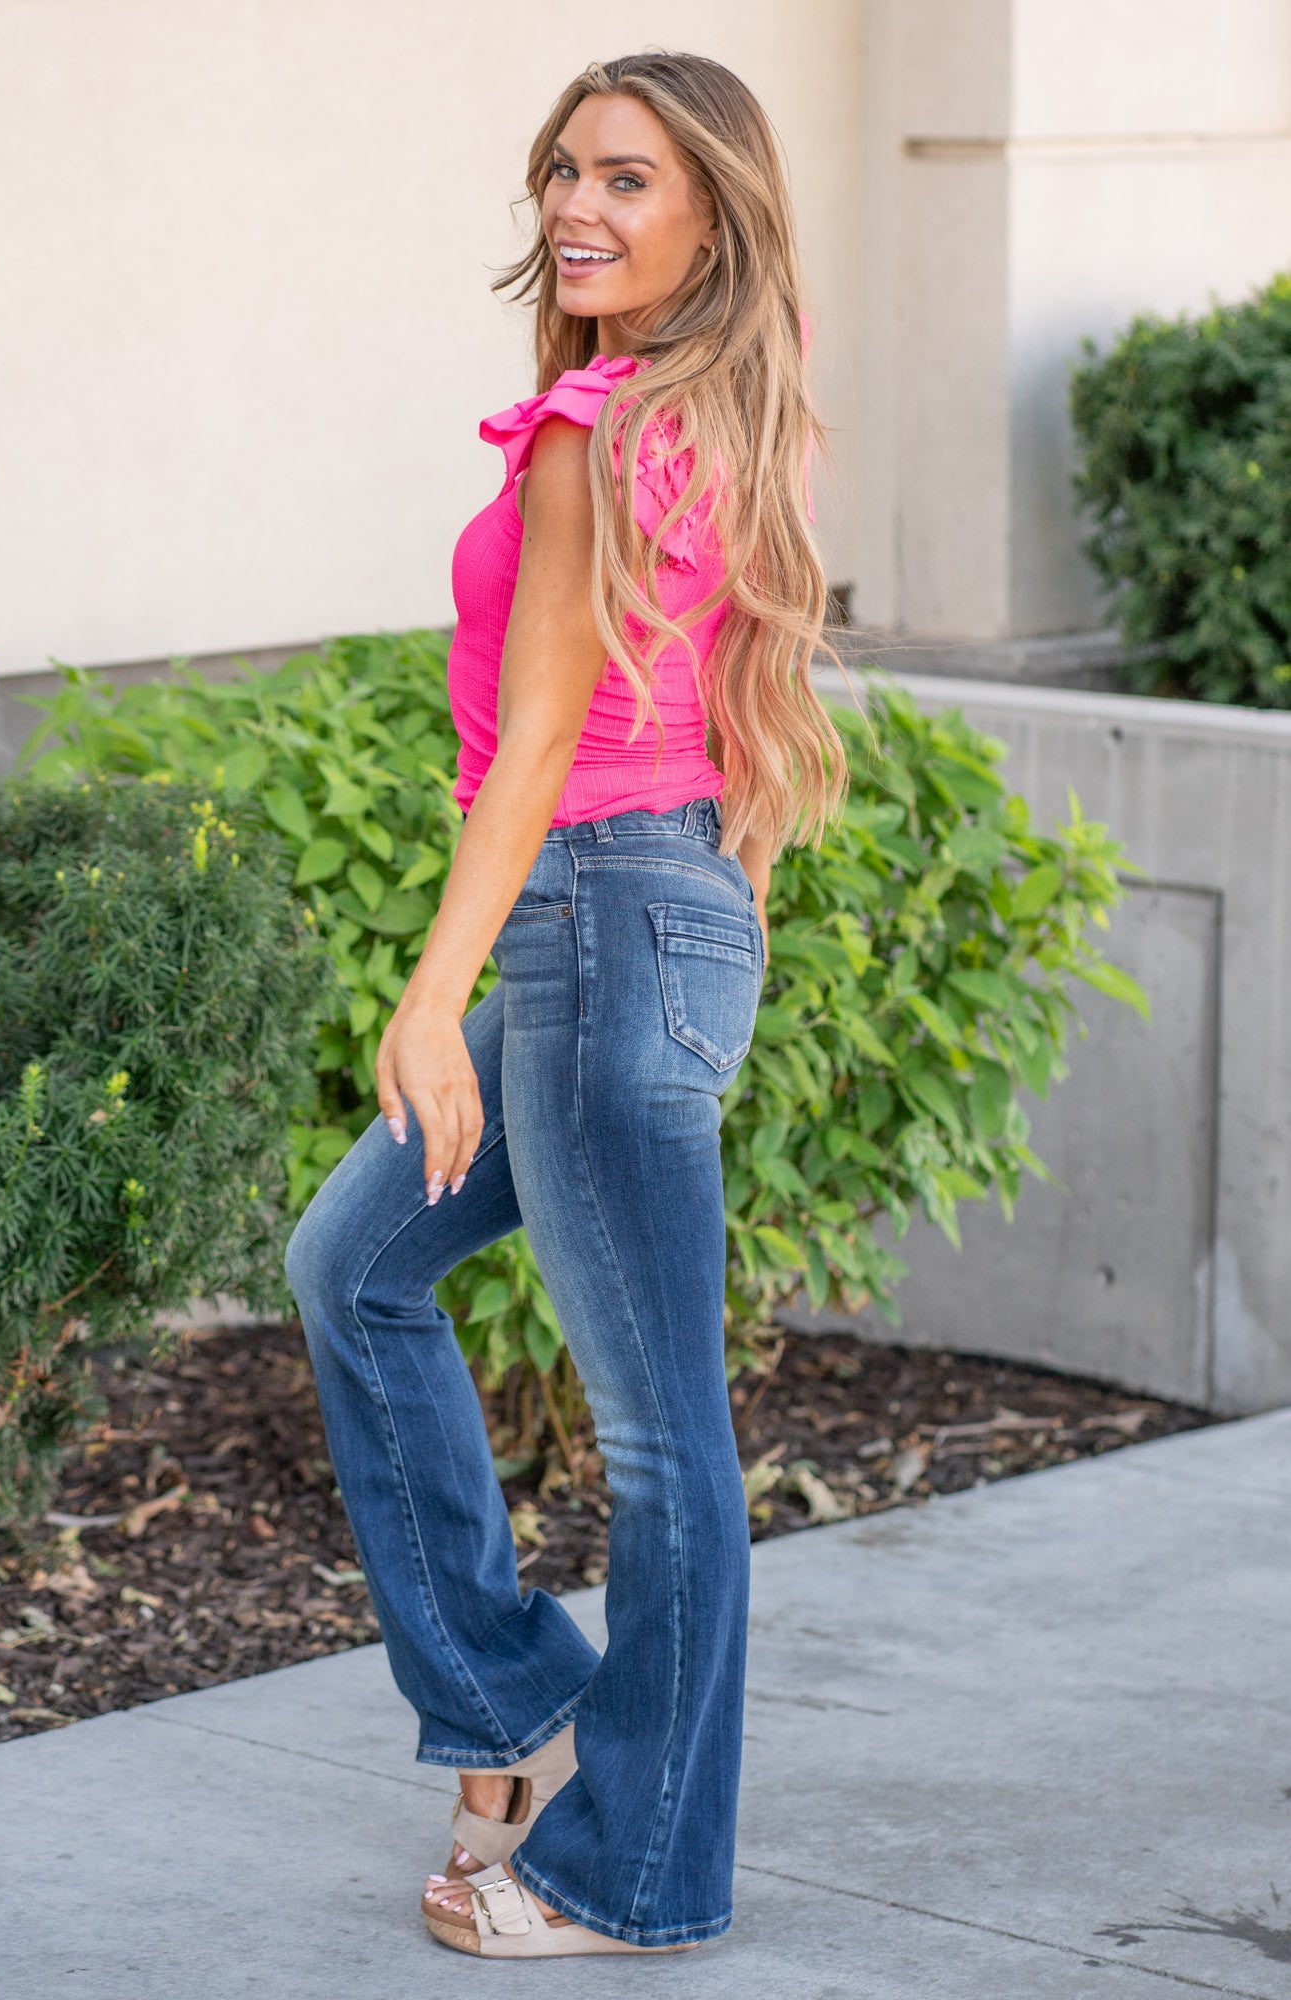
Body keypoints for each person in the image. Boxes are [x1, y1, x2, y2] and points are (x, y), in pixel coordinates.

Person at [284, 49, 848, 1961]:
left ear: (710, 215)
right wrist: (712, 932)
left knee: (663, 1443)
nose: (577, 209)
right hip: (646, 916)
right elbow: (732, 711)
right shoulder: (720, 406)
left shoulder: (602, 428)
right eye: (565, 172)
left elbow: (539, 737)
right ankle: (513, 1707)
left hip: (600, 920)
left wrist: (428, 994)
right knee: (351, 1265)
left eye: (627, 179)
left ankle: (634, 1871)